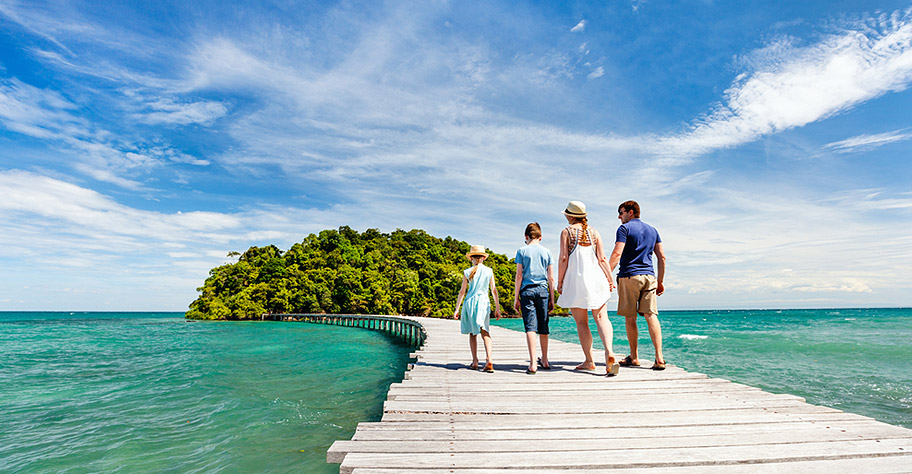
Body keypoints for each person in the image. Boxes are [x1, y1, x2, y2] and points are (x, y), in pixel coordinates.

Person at [556, 201, 620, 376]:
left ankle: (590, 361)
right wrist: (609, 278)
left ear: (570, 216)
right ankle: (609, 352)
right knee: (601, 317)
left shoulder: (566, 232)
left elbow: (563, 258)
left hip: (576, 281)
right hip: (596, 279)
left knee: (582, 322)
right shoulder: (595, 232)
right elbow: (602, 258)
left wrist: (560, 281)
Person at [609, 200, 667, 370]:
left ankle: (634, 357)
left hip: (629, 276)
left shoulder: (624, 229)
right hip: (650, 277)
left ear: (631, 212)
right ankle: (659, 358)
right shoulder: (653, 230)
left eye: (621, 212)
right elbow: (662, 257)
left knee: (630, 317)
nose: (619, 217)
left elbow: (617, 253)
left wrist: (605, 275)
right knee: (651, 315)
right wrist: (661, 281)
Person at [513, 223, 556, 375]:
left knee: (530, 327)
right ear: (540, 237)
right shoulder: (547, 252)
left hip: (527, 291)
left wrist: (516, 297)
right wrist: (552, 297)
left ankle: (532, 364)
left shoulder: (521, 251)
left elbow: (519, 275)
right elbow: (551, 277)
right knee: (543, 327)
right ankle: (544, 359)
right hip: (543, 291)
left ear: (526, 237)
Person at [453, 244, 503, 372]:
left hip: (470, 303)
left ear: (471, 258)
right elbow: (494, 290)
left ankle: (475, 361)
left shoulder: (467, 272)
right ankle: (489, 360)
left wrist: (457, 309)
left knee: (472, 332)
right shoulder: (489, 271)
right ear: (483, 258)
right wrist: (497, 308)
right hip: (483, 302)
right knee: (485, 331)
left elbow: (462, 292)